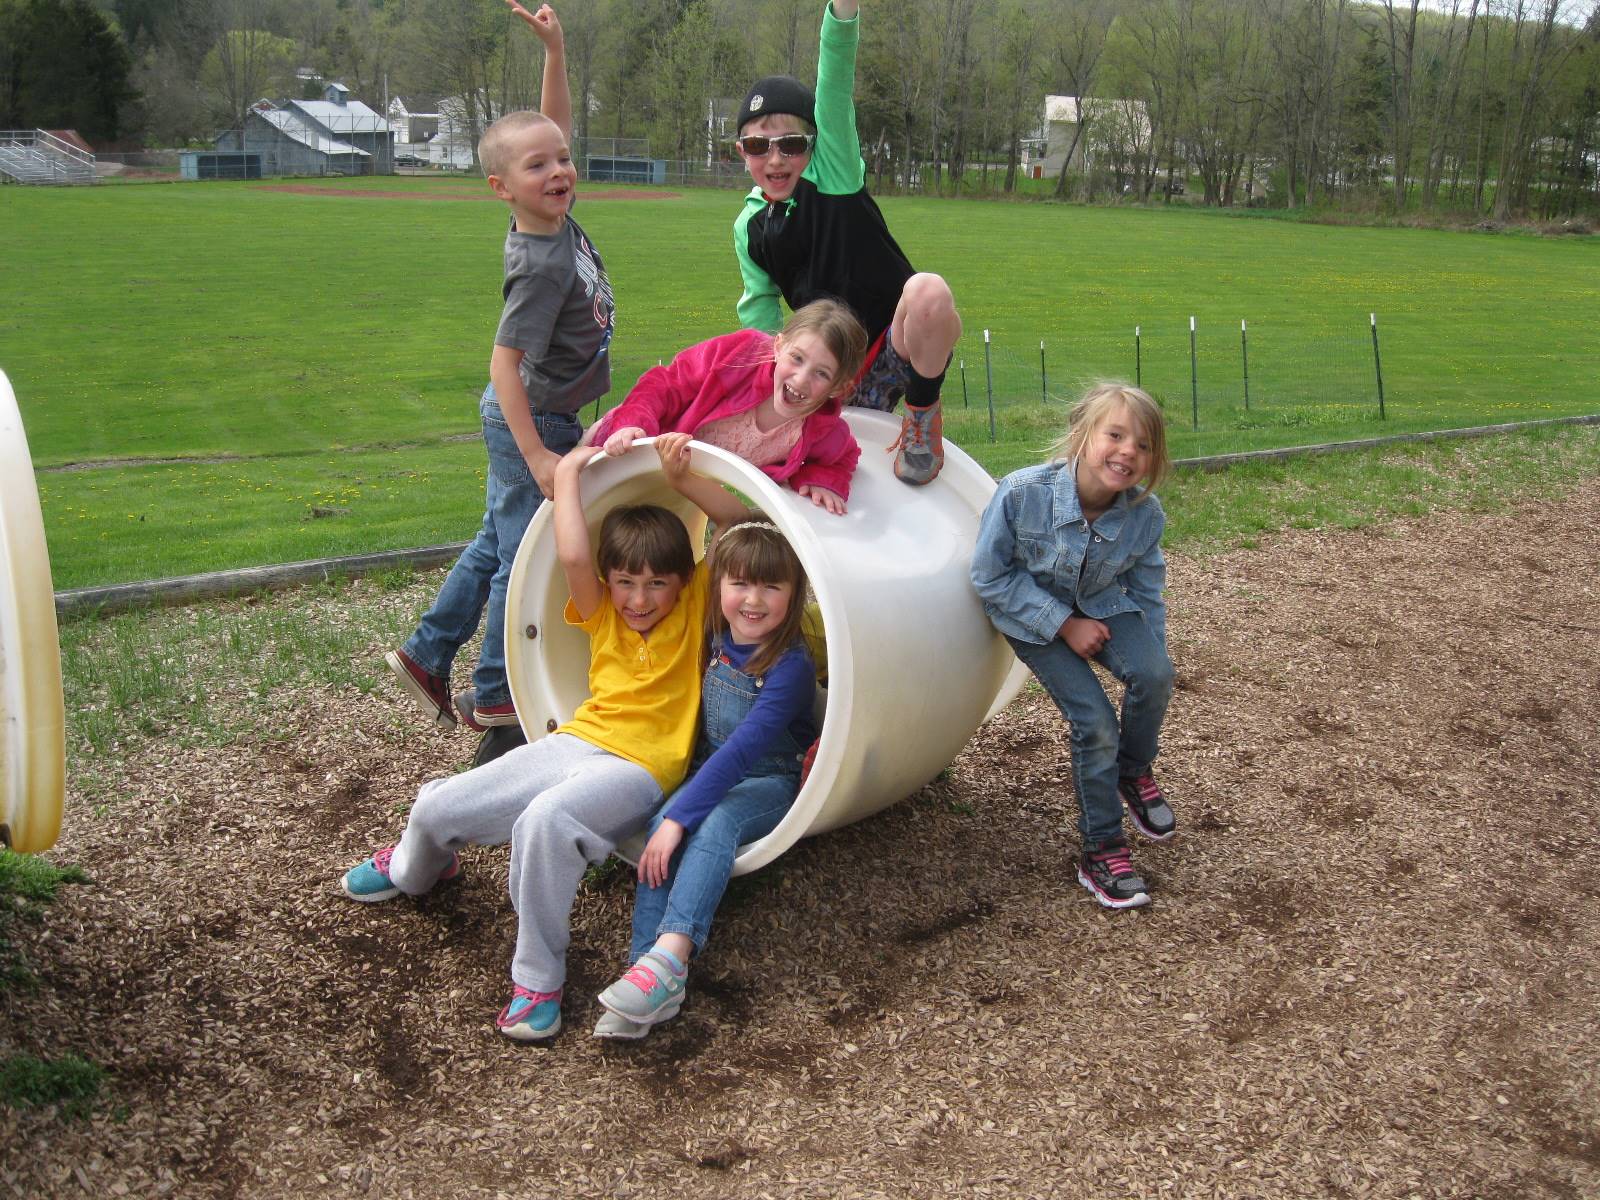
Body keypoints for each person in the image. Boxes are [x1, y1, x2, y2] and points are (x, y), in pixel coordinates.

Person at [340, 436, 749, 1042]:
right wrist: (572, 473)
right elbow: (574, 555)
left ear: (680, 582)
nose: (641, 600)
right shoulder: (603, 611)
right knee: (434, 805)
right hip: (580, 739)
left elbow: (741, 526)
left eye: (657, 584)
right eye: (627, 582)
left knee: (546, 823)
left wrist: (681, 478)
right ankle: (416, 869)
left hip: (643, 765)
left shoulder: (694, 607)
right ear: (610, 583)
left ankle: (537, 980)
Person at [385, 2, 616, 743]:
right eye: (539, 166)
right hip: (533, 417)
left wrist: (556, 51)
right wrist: (540, 453)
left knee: (493, 538)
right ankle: (494, 692)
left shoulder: (541, 214)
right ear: (502, 187)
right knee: (521, 552)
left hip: (534, 413)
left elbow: (550, 127)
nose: (558, 169)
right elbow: (503, 362)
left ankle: (426, 652)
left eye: (561, 160)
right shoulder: (541, 264)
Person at [591, 516, 817, 1039]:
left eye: (771, 586)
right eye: (739, 583)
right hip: (710, 770)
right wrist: (671, 815)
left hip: (769, 781)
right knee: (665, 823)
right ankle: (643, 971)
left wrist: (681, 817)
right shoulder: (712, 637)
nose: (753, 600)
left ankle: (671, 958)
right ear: (717, 587)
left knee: (710, 823)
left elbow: (741, 752)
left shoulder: (790, 666)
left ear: (794, 593)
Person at [730, 0, 961, 488]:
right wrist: (772, 385)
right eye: (757, 147)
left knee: (930, 291)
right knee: (815, 478)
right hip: (828, 367)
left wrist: (842, 12)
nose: (775, 159)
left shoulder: (832, 175)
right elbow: (761, 316)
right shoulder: (749, 226)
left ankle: (922, 414)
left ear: (814, 144)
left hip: (893, 346)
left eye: (790, 144)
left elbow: (834, 80)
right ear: (741, 152)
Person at [969, 383, 1177, 910]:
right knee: (1096, 723)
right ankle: (1102, 849)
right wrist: (1063, 623)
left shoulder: (1144, 517)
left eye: (1143, 444)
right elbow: (989, 578)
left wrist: (1149, 656)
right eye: (1115, 434)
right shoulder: (1021, 493)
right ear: (1081, 435)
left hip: (1101, 603)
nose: (1129, 451)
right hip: (1030, 616)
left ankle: (1131, 770)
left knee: (1155, 674)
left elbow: (1147, 593)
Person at [587, 299, 868, 514]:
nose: (801, 378)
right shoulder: (741, 355)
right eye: (797, 358)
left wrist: (820, 478)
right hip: (624, 451)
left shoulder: (821, 427)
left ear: (838, 388)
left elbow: (846, 455)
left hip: (676, 488)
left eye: (822, 374)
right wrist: (633, 424)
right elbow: (666, 384)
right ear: (778, 347)